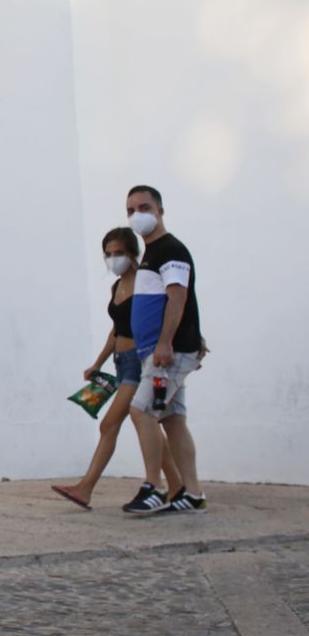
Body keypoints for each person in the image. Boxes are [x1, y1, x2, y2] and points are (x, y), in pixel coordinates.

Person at [51, 227, 181, 509]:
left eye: (119, 253)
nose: (113, 259)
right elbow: (116, 330)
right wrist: (97, 362)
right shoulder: (117, 286)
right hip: (121, 364)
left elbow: (169, 308)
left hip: (139, 361)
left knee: (111, 423)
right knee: (149, 425)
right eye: (108, 254)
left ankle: (86, 488)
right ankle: (178, 485)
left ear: (133, 253)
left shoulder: (143, 282)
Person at [121, 185, 208, 515]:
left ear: (160, 211)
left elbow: (178, 297)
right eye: (130, 210)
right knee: (173, 419)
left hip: (165, 355)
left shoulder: (170, 249)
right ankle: (193, 493)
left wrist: (166, 343)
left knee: (141, 410)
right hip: (158, 353)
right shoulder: (152, 253)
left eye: (144, 207)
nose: (137, 215)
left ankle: (154, 486)